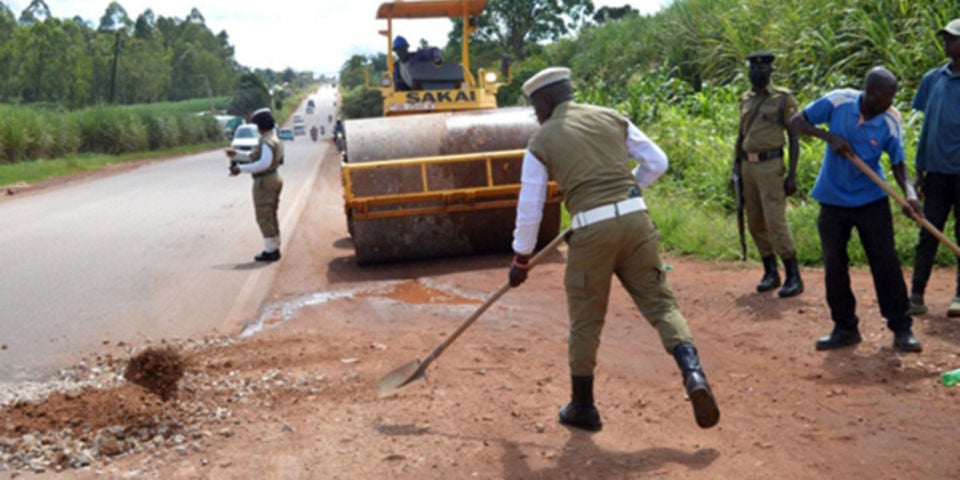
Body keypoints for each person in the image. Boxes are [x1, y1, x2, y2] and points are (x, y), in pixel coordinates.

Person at [509, 67, 720, 432]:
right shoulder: (610, 117)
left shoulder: (542, 140)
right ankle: (694, 374)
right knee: (662, 304)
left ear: (544, 101)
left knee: (586, 321)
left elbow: (530, 206)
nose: (535, 115)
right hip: (637, 221)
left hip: (592, 233)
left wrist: (521, 257)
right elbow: (658, 161)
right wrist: (630, 190)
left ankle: (583, 407)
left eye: (534, 107)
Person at [789, 67, 922, 353]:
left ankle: (901, 328)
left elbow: (898, 163)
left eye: (892, 97)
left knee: (885, 263)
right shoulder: (838, 101)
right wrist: (829, 137)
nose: (890, 103)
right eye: (886, 97)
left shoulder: (890, 120)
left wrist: (909, 194)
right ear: (870, 92)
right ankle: (845, 327)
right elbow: (797, 122)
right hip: (833, 199)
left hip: (872, 200)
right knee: (834, 264)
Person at [733, 51, 803, 298]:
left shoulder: (783, 98)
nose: (757, 72)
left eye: (763, 69)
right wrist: (735, 167)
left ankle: (793, 275)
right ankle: (770, 271)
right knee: (755, 222)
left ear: (771, 72)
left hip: (771, 165)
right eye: (753, 68)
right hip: (747, 166)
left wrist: (792, 174)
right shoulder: (745, 99)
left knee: (775, 221)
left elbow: (794, 137)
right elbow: (741, 135)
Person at [908, 18, 960, 317]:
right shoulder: (933, 79)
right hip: (937, 173)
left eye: (952, 38)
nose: (947, 43)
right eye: (945, 38)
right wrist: (918, 172)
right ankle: (916, 293)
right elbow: (927, 128)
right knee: (928, 233)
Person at [226, 108, 285, 262]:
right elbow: (254, 156)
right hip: (272, 178)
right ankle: (274, 246)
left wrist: (241, 169)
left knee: (264, 215)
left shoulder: (266, 141)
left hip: (265, 181)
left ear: (260, 125)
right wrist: (236, 155)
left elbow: (263, 163)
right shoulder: (273, 138)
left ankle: (270, 250)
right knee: (270, 214)